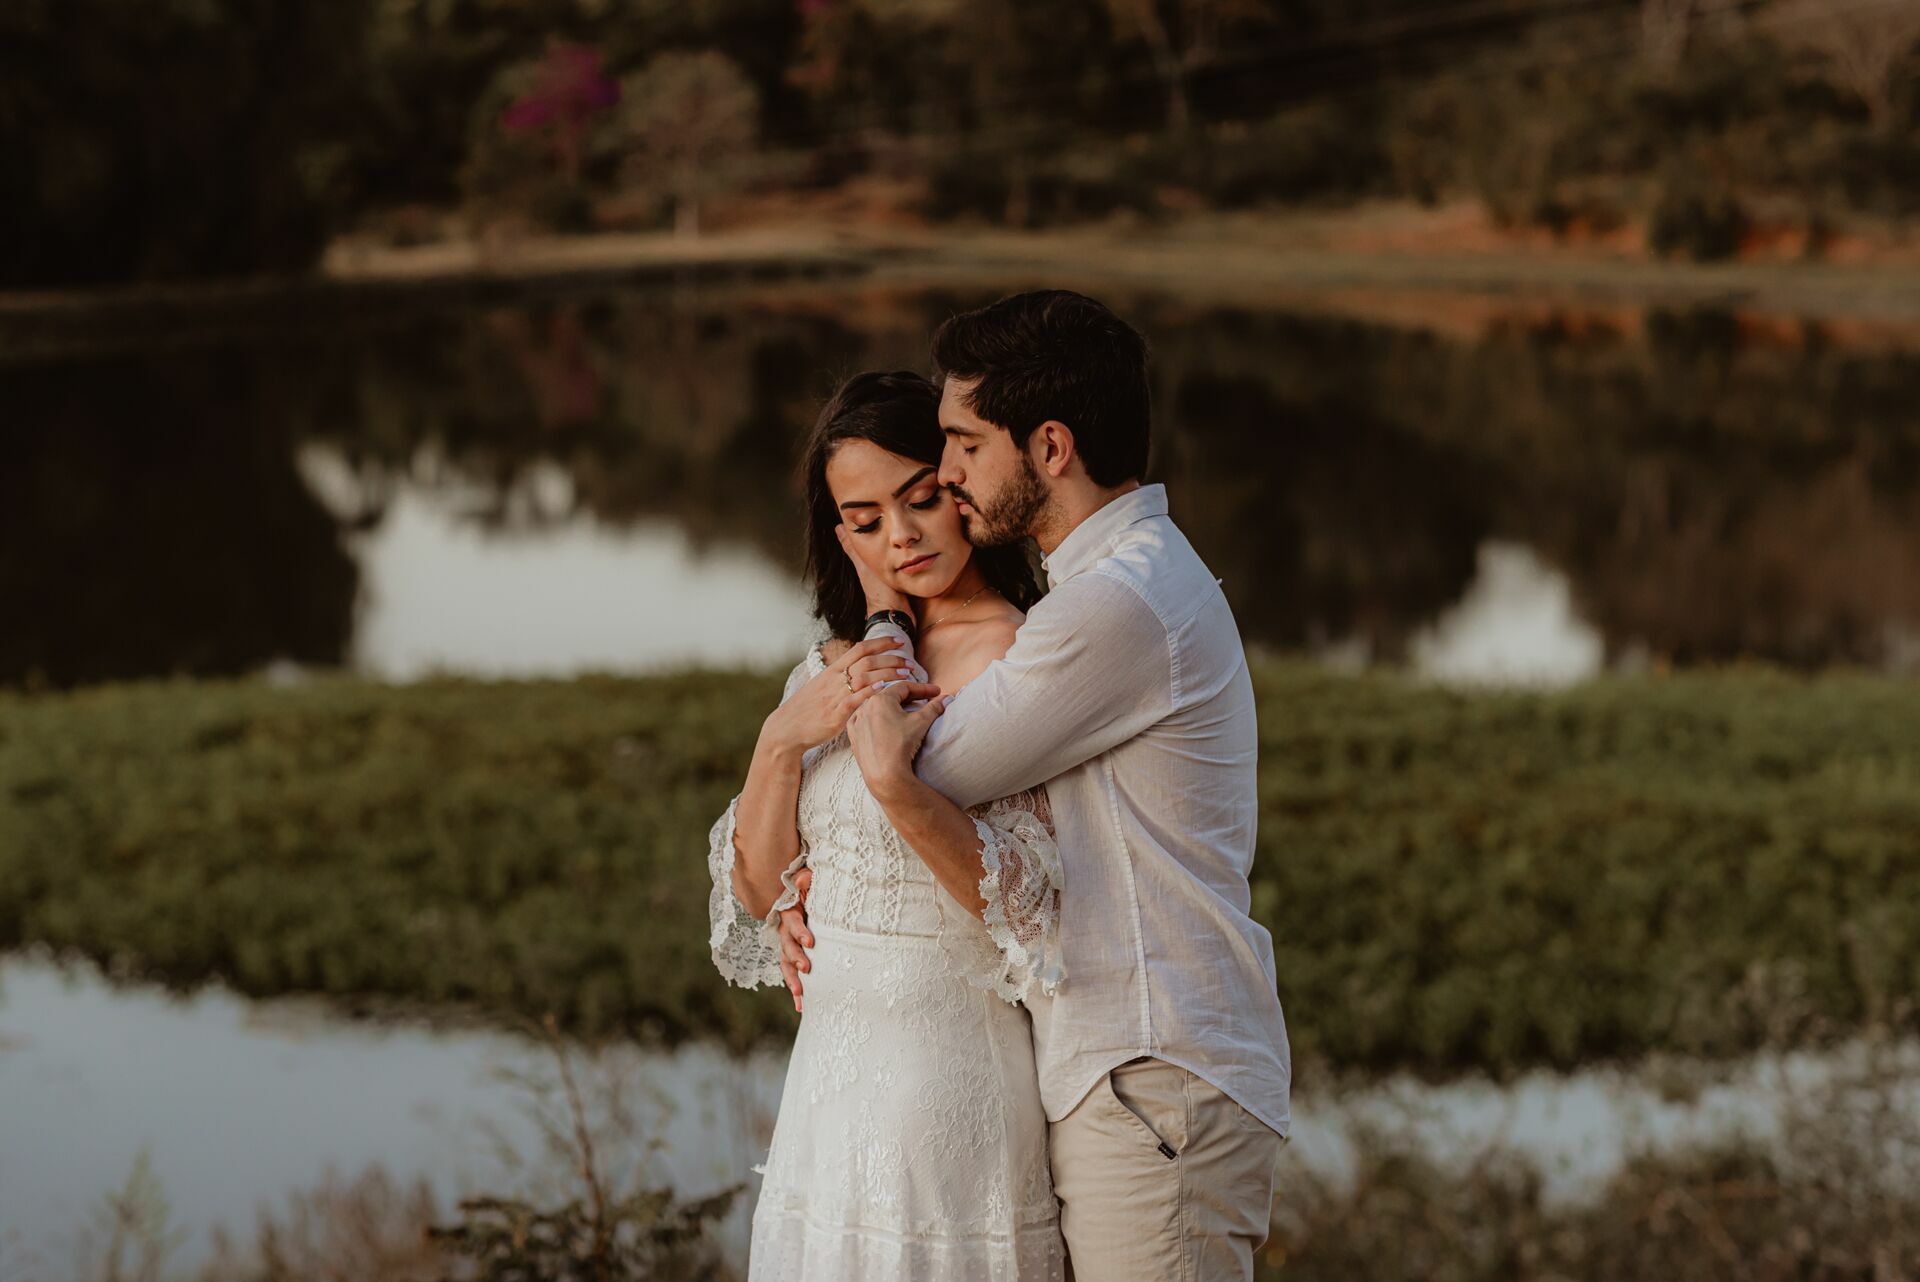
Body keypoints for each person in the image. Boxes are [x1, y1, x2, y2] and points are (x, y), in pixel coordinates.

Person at [781, 290, 1293, 1281]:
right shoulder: (1119, 580)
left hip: (1154, 1076)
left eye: (966, 445)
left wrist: (884, 612)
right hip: (1136, 1074)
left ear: (1050, 447)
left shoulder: (1114, 605)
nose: (952, 474)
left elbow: (920, 764)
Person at [706, 369, 1068, 1279]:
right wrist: (783, 738)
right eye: (867, 521)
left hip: (947, 1081)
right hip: (826, 1097)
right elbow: (755, 889)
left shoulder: (1021, 656)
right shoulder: (832, 669)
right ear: (843, 536)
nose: (901, 537)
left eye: (919, 501)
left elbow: (1029, 904)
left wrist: (898, 792)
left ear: (960, 490)